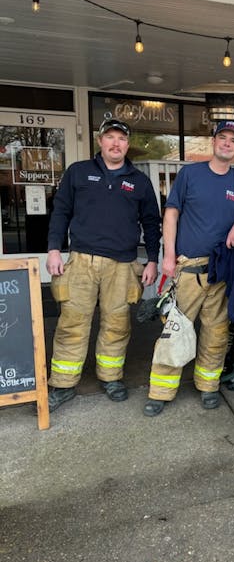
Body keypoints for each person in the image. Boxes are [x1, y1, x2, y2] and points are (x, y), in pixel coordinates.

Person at [144, 119, 234, 416]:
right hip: (188, 268)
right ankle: (161, 391)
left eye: (233, 140)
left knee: (216, 333)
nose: (227, 143)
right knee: (175, 331)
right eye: (223, 138)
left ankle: (208, 386)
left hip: (221, 270)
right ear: (213, 142)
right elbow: (171, 215)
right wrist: (169, 256)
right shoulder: (190, 174)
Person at [45, 118, 161, 411]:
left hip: (122, 264)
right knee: (72, 322)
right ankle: (62, 383)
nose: (115, 143)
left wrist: (153, 260)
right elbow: (61, 211)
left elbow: (151, 223)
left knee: (117, 324)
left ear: (127, 144)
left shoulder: (139, 181)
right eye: (109, 137)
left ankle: (110, 377)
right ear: (100, 141)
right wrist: (54, 250)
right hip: (81, 260)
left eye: (121, 138)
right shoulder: (79, 172)